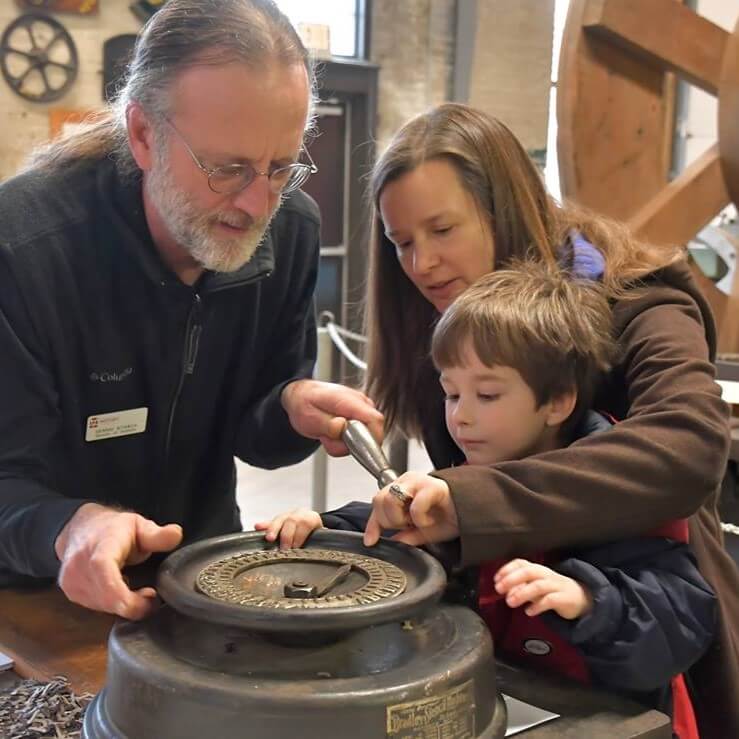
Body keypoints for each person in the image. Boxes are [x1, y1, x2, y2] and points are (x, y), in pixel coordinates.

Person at [351, 102, 738, 738]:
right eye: (402, 243)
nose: (421, 264)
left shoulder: (642, 305)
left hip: (650, 661)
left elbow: (687, 448)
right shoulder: (451, 313)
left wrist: (469, 503)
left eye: (443, 230)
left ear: (504, 208)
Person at [0, 0, 382, 621]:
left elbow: (256, 438)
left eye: (280, 167)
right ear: (144, 133)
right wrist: (74, 528)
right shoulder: (22, 251)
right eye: (228, 169)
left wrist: (287, 407)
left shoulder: (289, 233)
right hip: (33, 596)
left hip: (200, 573)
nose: (257, 204)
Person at [258, 263, 715, 736]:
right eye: (452, 394)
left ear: (558, 400)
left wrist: (590, 601)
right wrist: (326, 528)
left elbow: (681, 620)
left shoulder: (613, 487)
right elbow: (401, 528)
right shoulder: (476, 468)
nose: (462, 419)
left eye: (488, 395)